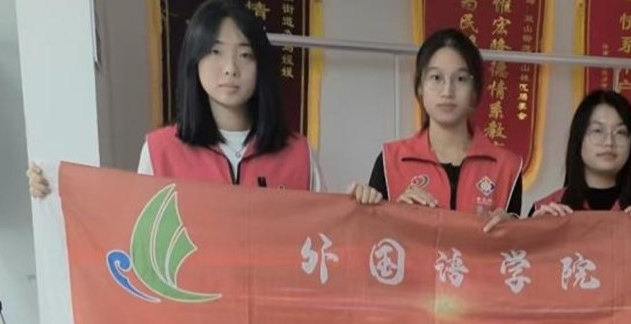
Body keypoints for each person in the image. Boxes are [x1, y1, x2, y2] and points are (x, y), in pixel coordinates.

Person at [27, 0, 322, 197]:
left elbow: (324, 233)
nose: (230, 68)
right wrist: (57, 189)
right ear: (195, 60)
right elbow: (132, 228)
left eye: (245, 55)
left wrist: (352, 208)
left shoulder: (299, 155)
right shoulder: (161, 152)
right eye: (215, 52)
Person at [348, 28, 523, 224]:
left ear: (475, 91)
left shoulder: (507, 167)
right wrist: (386, 211)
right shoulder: (390, 161)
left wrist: (512, 230)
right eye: (436, 78)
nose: (447, 91)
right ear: (420, 87)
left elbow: (518, 243)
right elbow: (372, 236)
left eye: (461, 79)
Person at [529, 90, 631, 218]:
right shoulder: (546, 210)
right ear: (579, 138)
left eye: (620, 132)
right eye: (597, 131)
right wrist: (538, 227)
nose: (609, 142)